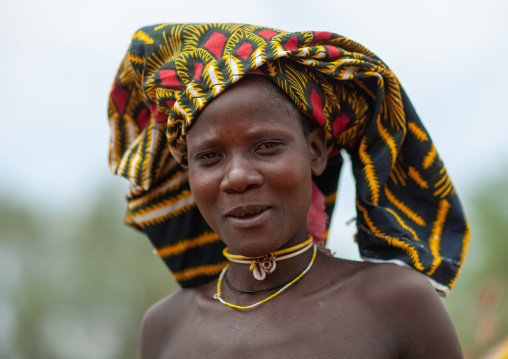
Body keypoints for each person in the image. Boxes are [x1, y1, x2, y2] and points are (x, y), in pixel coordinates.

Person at [108, 23, 470, 358]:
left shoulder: (396, 302)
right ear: (188, 170)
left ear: (314, 151)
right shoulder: (164, 326)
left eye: (266, 146)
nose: (236, 177)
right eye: (210, 156)